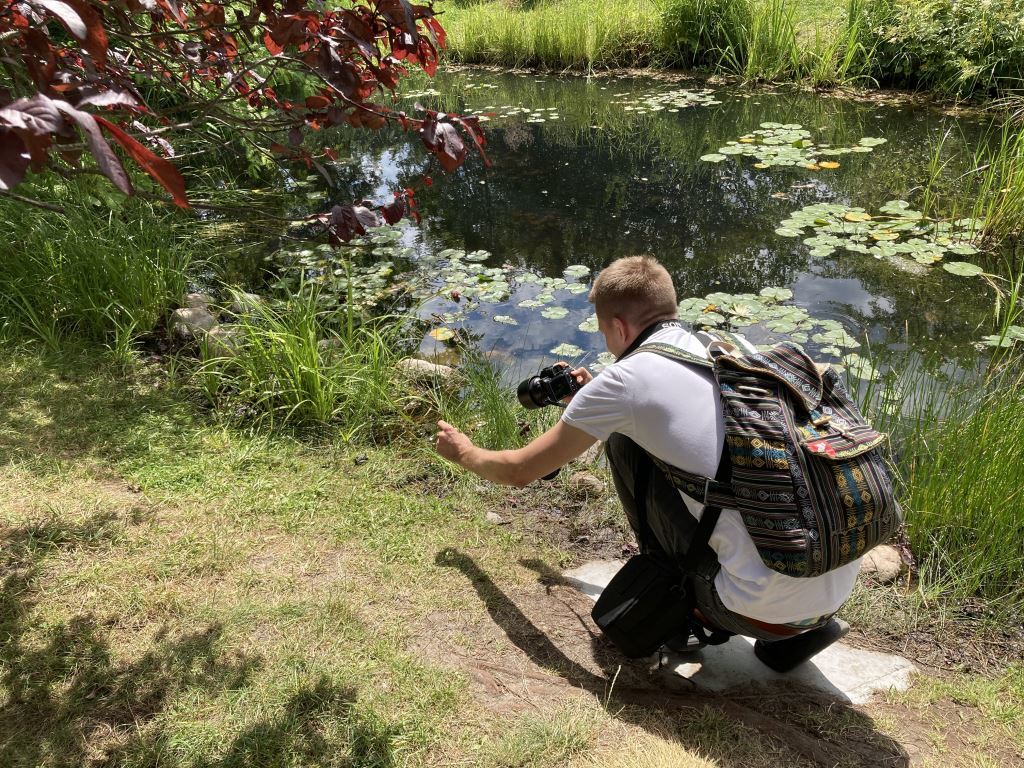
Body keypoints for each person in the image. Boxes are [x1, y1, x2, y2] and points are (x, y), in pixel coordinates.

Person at [435, 255, 854, 668]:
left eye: (604, 333)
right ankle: (794, 626)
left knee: (623, 440)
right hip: (826, 577)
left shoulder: (626, 380)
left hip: (754, 608)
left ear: (618, 326)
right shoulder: (726, 351)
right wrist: (592, 402)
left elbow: (519, 470)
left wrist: (465, 452)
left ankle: (681, 604)